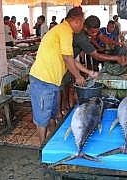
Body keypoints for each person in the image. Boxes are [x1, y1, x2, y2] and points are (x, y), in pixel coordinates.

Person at [29, 7, 97, 145]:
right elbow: (67, 58)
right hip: (42, 80)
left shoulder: (65, 31)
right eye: (82, 22)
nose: (83, 25)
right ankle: (43, 148)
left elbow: (70, 58)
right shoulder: (65, 31)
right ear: (76, 21)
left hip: (52, 82)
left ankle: (55, 141)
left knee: (52, 114)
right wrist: (78, 77)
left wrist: (89, 72)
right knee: (43, 118)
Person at [58, 15, 127, 116]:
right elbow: (96, 55)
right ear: (85, 28)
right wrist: (116, 58)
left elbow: (103, 38)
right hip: (64, 61)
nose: (95, 34)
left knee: (69, 83)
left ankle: (67, 106)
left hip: (72, 59)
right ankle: (60, 112)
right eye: (93, 32)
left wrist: (118, 43)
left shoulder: (92, 31)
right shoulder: (81, 37)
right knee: (61, 85)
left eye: (96, 32)